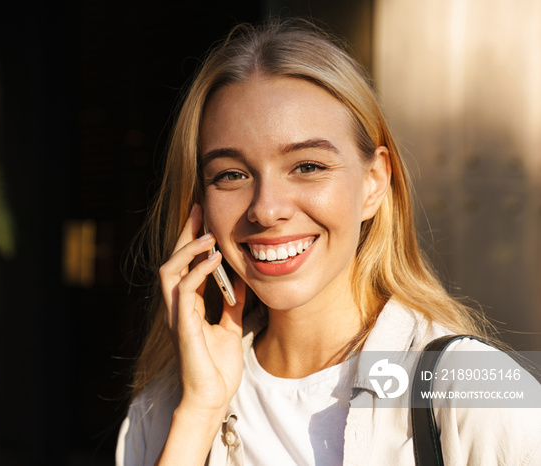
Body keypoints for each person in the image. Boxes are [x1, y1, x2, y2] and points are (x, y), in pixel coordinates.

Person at [116, 18, 541, 465]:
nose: (266, 208)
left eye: (307, 166)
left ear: (374, 182)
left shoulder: (474, 390)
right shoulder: (163, 411)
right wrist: (200, 411)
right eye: (231, 175)